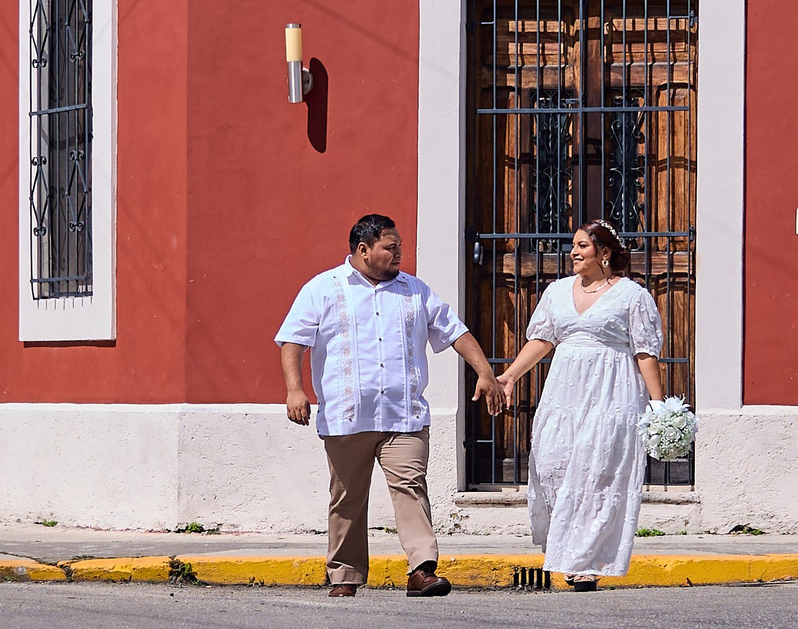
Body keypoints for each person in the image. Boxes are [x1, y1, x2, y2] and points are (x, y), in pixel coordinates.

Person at [277, 213, 505, 598]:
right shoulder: (323, 288)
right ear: (364, 250)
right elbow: (293, 341)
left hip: (404, 415)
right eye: (390, 246)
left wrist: (485, 372)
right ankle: (345, 576)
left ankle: (422, 570)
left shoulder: (415, 290)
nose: (399, 252)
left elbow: (454, 330)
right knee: (347, 497)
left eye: (399, 245)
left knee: (411, 486)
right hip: (348, 417)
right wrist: (294, 390)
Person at [492, 221, 666, 590]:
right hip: (564, 392)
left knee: (598, 470)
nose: (573, 252)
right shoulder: (556, 292)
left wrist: (659, 405)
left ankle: (584, 561)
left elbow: (645, 352)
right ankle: (568, 545)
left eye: (583, 245)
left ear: (604, 252)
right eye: (573, 245)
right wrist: (510, 376)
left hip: (613, 390)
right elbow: (542, 340)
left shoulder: (632, 295)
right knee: (553, 461)